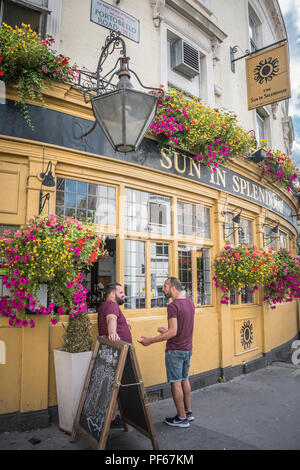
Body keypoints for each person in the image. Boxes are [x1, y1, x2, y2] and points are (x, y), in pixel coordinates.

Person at [138, 277, 195, 428]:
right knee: (185, 379)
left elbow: (173, 332)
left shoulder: (173, 306)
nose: (163, 289)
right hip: (187, 349)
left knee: (175, 383)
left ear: (173, 288)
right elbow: (181, 328)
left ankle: (181, 418)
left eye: (165, 286)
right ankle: (188, 412)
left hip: (175, 351)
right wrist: (167, 330)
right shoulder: (190, 303)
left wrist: (150, 340)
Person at [98, 282, 132, 428]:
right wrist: (113, 332)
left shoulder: (106, 305)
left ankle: (110, 417)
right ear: (112, 294)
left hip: (112, 353)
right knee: (116, 386)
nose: (123, 294)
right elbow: (111, 319)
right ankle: (110, 419)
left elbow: (114, 318)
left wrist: (124, 322)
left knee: (114, 386)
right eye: (121, 292)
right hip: (118, 352)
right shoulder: (111, 305)